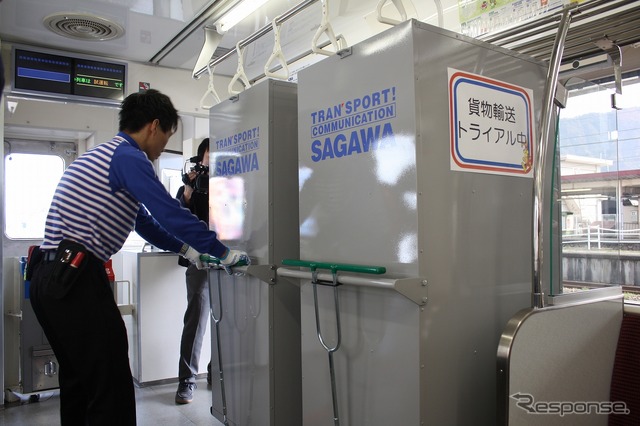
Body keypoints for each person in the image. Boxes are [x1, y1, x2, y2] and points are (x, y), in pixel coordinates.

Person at [27, 89, 249, 425]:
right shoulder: (128, 156)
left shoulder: (104, 156)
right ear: (153, 126)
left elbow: (143, 221)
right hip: (76, 277)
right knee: (110, 385)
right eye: (167, 137)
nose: (163, 147)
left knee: (80, 383)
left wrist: (187, 250)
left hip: (49, 277)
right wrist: (222, 251)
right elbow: (167, 209)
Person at [175, 138, 213, 404]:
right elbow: (179, 218)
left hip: (228, 256)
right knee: (196, 319)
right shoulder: (193, 184)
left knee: (230, 318)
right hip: (200, 258)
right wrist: (188, 190)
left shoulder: (231, 181)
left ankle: (216, 371)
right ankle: (187, 381)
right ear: (201, 157)